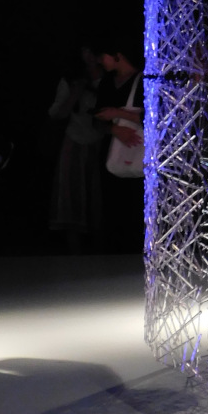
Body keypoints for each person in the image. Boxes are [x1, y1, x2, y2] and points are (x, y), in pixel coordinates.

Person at [48, 45, 104, 251]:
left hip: (102, 143)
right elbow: (56, 113)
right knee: (72, 194)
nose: (89, 56)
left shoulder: (108, 78)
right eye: (84, 51)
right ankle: (75, 250)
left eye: (92, 51)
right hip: (75, 141)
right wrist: (75, 93)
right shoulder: (72, 80)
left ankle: (101, 249)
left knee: (96, 197)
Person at [94, 37, 145, 254]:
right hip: (111, 150)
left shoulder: (143, 80)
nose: (100, 61)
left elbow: (154, 118)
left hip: (136, 149)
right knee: (113, 205)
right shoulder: (107, 82)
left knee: (136, 204)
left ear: (118, 55)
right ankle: (114, 252)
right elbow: (95, 118)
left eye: (103, 56)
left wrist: (118, 114)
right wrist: (114, 129)